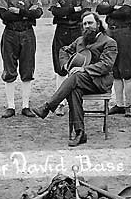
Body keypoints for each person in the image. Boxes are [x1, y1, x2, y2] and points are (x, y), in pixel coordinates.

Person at [32, 11, 118, 146]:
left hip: (100, 82)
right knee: (73, 90)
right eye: (84, 24)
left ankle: (48, 107)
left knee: (76, 77)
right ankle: (80, 133)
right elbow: (64, 50)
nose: (87, 26)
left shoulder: (109, 42)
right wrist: (67, 65)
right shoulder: (80, 41)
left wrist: (84, 69)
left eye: (90, 23)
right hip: (81, 82)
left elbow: (106, 65)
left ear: (98, 24)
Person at [0, 0, 43, 118]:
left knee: (27, 68)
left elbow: (37, 13)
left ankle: (25, 105)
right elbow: (4, 15)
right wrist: (27, 14)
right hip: (10, 33)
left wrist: (20, 12)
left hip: (27, 32)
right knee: (9, 69)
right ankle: (10, 106)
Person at [49, 0, 92, 116]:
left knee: (79, 65)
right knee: (61, 67)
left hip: (78, 31)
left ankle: (77, 102)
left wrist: (65, 11)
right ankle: (60, 103)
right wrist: (74, 9)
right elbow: (55, 11)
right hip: (61, 30)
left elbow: (85, 12)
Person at [96, 0, 131, 117]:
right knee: (114, 70)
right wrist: (115, 7)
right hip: (110, 31)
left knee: (126, 70)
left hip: (125, 31)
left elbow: (127, 11)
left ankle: (128, 105)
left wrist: (112, 9)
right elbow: (100, 8)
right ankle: (119, 104)